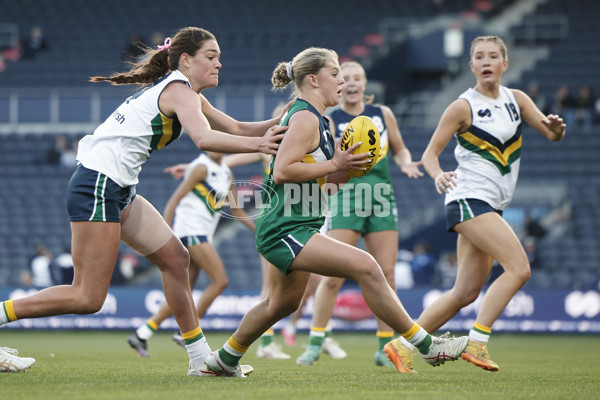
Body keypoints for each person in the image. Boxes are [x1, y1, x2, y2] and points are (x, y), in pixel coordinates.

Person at [0, 26, 286, 377]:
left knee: (176, 260)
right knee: (87, 297)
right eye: (211, 57)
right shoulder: (179, 89)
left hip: (116, 187)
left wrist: (288, 118)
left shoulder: (187, 92)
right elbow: (204, 138)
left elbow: (239, 129)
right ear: (186, 60)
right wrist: (262, 146)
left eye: (220, 58)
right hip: (98, 185)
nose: (218, 65)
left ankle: (201, 362)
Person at [203, 47, 468, 377]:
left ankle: (222, 361)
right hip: (286, 227)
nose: (341, 80)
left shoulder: (317, 120)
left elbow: (323, 184)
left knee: (280, 304)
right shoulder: (303, 116)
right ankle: (427, 346)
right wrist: (335, 163)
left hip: (297, 223)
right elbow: (283, 170)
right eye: (335, 73)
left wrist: (348, 170)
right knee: (368, 266)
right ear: (313, 80)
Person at [384, 35, 566, 374]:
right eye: (479, 56)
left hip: (489, 205)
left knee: (465, 292)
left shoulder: (517, 99)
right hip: (469, 199)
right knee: (519, 268)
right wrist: (437, 174)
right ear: (471, 66)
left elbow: (552, 133)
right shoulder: (462, 106)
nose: (486, 61)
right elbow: (429, 154)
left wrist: (556, 129)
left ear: (504, 64)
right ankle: (477, 342)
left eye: (493, 56)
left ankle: (400, 345)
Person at [296, 60, 424, 368]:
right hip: (346, 196)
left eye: (357, 78)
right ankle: (316, 341)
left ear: (365, 84)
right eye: (345, 78)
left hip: (381, 197)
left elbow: (400, 149)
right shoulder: (330, 118)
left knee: (387, 274)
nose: (351, 83)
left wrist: (406, 162)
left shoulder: (383, 114)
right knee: (332, 276)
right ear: (340, 84)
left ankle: (385, 347)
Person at [128, 150, 255, 357]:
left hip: (202, 233)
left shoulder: (225, 172)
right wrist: (165, 232)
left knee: (183, 291)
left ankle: (142, 333)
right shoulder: (201, 167)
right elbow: (174, 200)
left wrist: (258, 231)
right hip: (191, 230)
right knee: (220, 281)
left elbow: (236, 209)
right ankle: (186, 333)